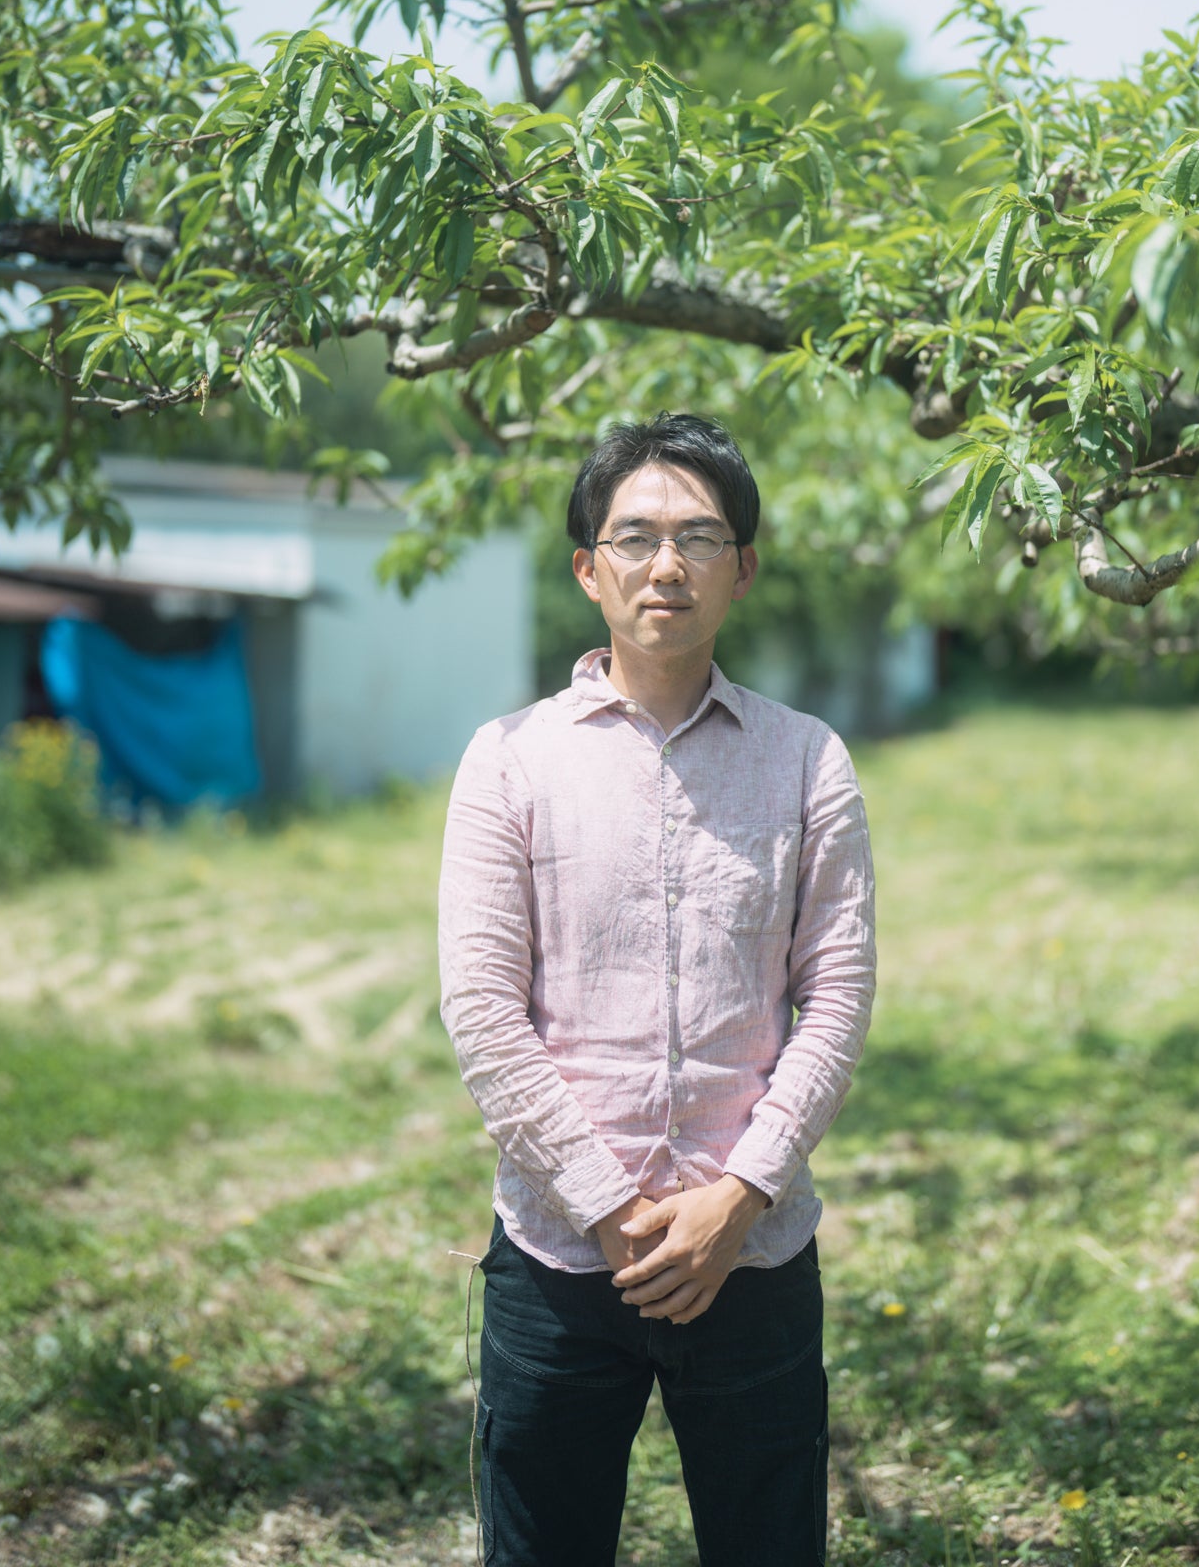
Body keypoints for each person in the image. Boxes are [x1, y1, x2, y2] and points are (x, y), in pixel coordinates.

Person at [438, 412, 876, 1566]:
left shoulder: (806, 759)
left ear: (744, 567)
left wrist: (737, 1196)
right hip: (558, 1252)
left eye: (699, 536)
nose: (666, 564)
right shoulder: (509, 758)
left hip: (752, 1249)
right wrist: (604, 1202)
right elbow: (481, 1007)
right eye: (634, 537)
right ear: (589, 569)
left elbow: (835, 996)